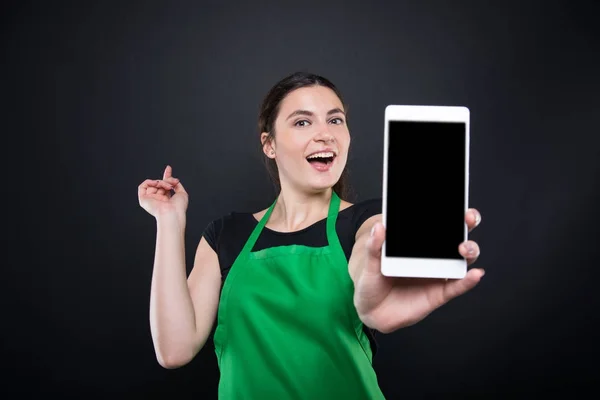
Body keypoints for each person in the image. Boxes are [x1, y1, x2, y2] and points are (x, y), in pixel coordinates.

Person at [137, 71, 484, 399]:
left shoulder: (369, 223)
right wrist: (169, 221)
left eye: (335, 120)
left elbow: (370, 255)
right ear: (269, 144)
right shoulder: (226, 235)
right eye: (303, 122)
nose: (326, 134)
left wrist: (374, 298)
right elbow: (174, 349)